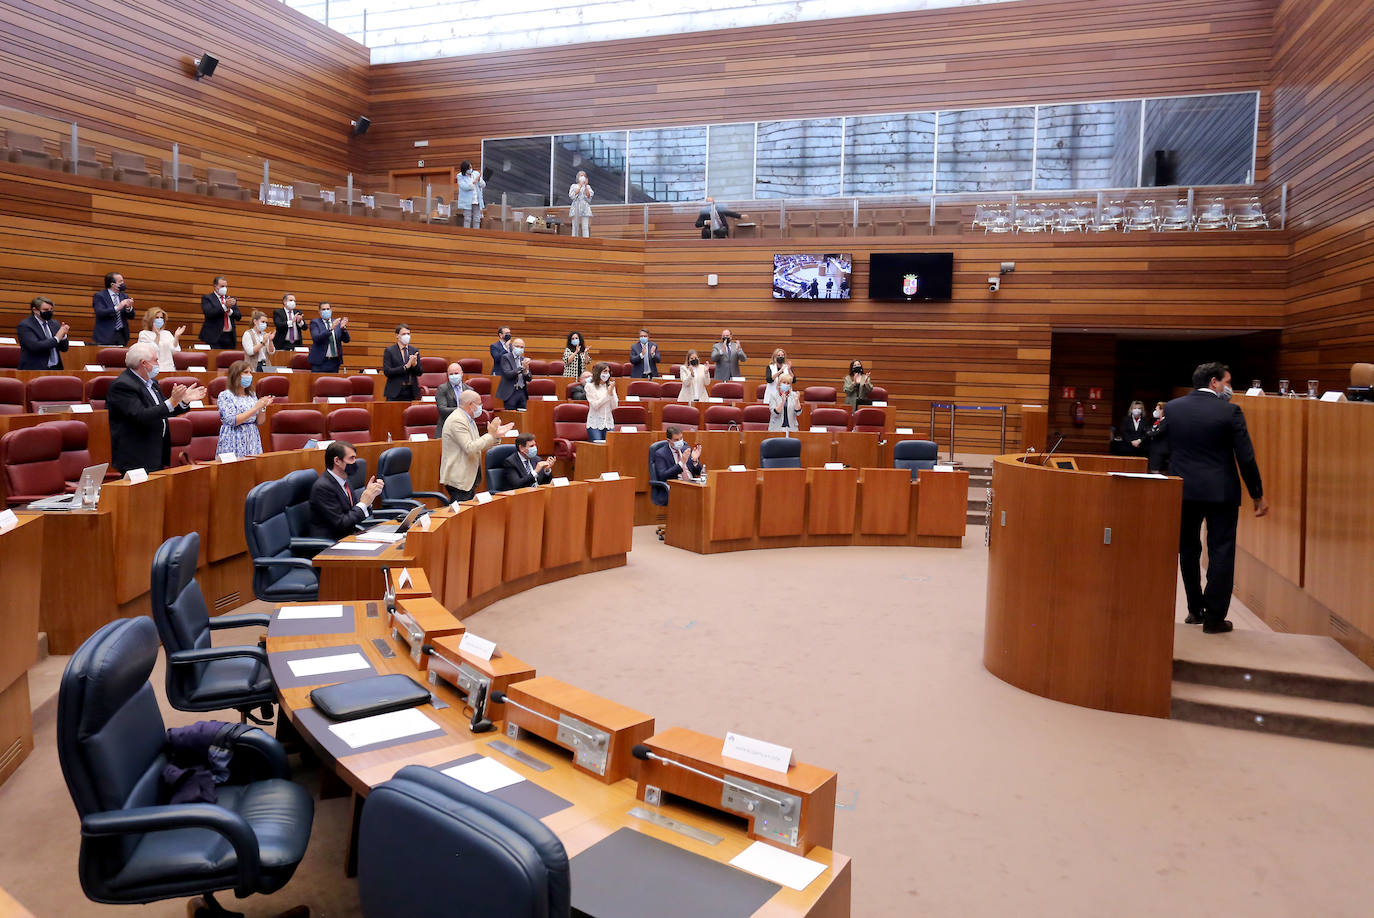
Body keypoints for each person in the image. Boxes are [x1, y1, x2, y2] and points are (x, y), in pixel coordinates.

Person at [1164, 362, 1268, 634]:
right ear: (1214, 382)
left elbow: (1160, 446)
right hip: (1221, 492)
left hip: (1183, 489)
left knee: (1187, 550)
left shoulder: (1173, 408)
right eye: (1227, 382)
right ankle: (1214, 618)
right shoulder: (1230, 411)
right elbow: (1245, 457)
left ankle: (1194, 609)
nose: (1229, 388)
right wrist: (1257, 494)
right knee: (1221, 550)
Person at [106, 342, 204, 473]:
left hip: (155, 453)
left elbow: (163, 411)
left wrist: (183, 401)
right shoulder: (122, 386)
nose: (158, 363)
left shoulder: (152, 384)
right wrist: (172, 401)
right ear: (143, 363)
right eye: (155, 360)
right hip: (136, 458)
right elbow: (141, 415)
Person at [441, 390, 513, 501]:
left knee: (467, 514)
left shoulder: (469, 419)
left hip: (468, 477)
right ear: (470, 404)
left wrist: (495, 436)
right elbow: (470, 448)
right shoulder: (457, 420)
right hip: (459, 478)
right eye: (479, 404)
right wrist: (490, 435)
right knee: (461, 516)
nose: (481, 407)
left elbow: (478, 445)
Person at [308, 441, 387, 541]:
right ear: (337, 460)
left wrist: (370, 497)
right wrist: (363, 503)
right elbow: (341, 523)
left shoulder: (345, 481)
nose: (355, 462)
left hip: (348, 537)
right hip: (330, 543)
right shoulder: (323, 487)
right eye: (351, 458)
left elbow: (353, 514)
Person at [216, 359, 272, 457]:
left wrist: (263, 407)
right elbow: (232, 421)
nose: (249, 375)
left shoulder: (251, 395)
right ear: (236, 375)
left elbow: (260, 422)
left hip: (252, 437)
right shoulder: (225, 395)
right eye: (246, 372)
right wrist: (255, 408)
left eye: (250, 372)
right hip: (233, 438)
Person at [650, 426, 704, 505]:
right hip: (675, 487)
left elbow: (699, 472)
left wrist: (695, 460)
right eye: (676, 440)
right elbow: (663, 476)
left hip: (692, 485)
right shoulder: (660, 454)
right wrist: (681, 463)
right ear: (669, 441)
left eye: (681, 438)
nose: (680, 442)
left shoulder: (686, 449)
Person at [17, 295, 70, 370]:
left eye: (51, 309)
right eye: (46, 310)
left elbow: (64, 349)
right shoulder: (25, 325)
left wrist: (63, 335)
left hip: (56, 369)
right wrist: (57, 338)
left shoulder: (54, 323)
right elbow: (35, 346)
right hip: (34, 370)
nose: (49, 312)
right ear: (35, 310)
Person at [91, 272, 135, 346]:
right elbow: (100, 312)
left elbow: (132, 316)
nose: (123, 283)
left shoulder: (124, 296)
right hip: (105, 335)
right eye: (120, 281)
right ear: (112, 284)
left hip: (121, 334)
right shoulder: (100, 296)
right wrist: (118, 308)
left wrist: (128, 308)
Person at [382, 324, 422, 401]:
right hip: (395, 391)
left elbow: (420, 372)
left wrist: (414, 365)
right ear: (397, 336)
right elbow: (387, 372)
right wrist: (406, 367)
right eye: (404, 334)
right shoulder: (390, 351)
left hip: (411, 391)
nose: (406, 336)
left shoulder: (414, 350)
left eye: (408, 334)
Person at [137, 307, 184, 373]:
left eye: (161, 318)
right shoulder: (144, 334)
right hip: (152, 370)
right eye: (157, 317)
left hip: (168, 369)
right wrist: (157, 336)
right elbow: (149, 353)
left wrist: (176, 337)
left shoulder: (167, 333)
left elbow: (175, 350)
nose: (159, 320)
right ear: (150, 319)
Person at [198, 275, 240, 349]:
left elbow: (238, 316)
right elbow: (209, 313)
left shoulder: (230, 299)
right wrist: (224, 306)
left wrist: (229, 311)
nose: (224, 288)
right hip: (214, 336)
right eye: (222, 286)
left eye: (226, 286)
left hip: (229, 336)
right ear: (215, 286)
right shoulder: (207, 298)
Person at [309, 302, 349, 372]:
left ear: (331, 310)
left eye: (328, 309)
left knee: (333, 382)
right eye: (323, 309)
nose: (326, 311)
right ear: (319, 311)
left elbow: (346, 340)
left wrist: (343, 329)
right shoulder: (315, 323)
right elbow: (316, 338)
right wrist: (331, 329)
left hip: (334, 362)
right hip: (320, 362)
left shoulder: (337, 322)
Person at [495, 336, 532, 410]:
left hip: (522, 392)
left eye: (522, 347)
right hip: (511, 393)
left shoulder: (523, 359)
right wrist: (522, 367)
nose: (520, 349)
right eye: (517, 346)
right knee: (511, 416)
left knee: (522, 417)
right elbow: (508, 374)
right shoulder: (506, 357)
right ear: (512, 346)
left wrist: (526, 371)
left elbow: (529, 378)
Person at [434, 362, 469, 437]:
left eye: (456, 373)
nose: (454, 376)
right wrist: (461, 410)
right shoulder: (442, 389)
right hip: (447, 428)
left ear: (462, 374)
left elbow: (473, 409)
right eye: (451, 374)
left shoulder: (469, 389)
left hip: (464, 428)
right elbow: (442, 410)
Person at [586, 361, 617, 442]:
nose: (607, 374)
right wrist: (608, 394)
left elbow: (614, 406)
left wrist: (611, 393)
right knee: (597, 451)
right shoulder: (590, 386)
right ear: (598, 372)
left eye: (608, 371)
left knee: (609, 451)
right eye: (605, 371)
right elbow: (596, 405)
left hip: (609, 423)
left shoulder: (610, 385)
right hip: (595, 424)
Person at [455, 161, 485, 229]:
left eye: (471, 167)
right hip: (467, 201)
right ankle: (467, 234)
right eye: (469, 168)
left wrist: (479, 180)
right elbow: (465, 187)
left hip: (476, 199)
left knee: (477, 218)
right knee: (467, 218)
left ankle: (476, 234)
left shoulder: (476, 173)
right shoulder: (460, 176)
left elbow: (483, 185)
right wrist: (474, 181)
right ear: (465, 169)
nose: (471, 169)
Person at [568, 170, 594, 237]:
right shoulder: (574, 186)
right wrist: (580, 185)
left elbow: (589, 196)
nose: (583, 177)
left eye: (584, 176)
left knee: (585, 227)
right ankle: (574, 240)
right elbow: (572, 196)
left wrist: (585, 186)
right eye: (581, 176)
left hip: (585, 208)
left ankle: (586, 241)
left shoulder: (588, 187)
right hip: (576, 207)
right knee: (575, 226)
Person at [1146, 400, 1170, 473]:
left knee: (1157, 471)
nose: (1155, 411)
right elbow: (1150, 430)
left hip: (1160, 450)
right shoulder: (1157, 421)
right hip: (1154, 450)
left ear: (1162, 410)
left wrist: (1150, 432)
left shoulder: (1166, 421)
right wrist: (1150, 432)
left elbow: (1157, 432)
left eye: (1157, 409)